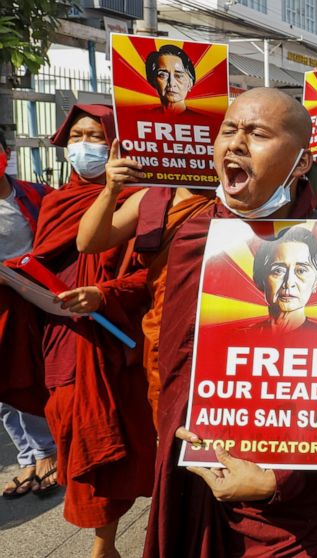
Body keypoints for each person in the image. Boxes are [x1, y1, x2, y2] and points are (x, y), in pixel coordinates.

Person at [145, 88, 317, 558]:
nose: (236, 143)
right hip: (203, 470)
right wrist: (175, 431)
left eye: (258, 133)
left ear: (302, 163)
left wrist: (277, 478)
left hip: (301, 500)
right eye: (229, 130)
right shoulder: (197, 236)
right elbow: (177, 362)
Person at [31, 104, 156, 558]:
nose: (84, 146)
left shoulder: (141, 199)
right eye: (76, 137)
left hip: (115, 336)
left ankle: (103, 544)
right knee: (71, 424)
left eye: (96, 137)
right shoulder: (55, 202)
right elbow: (47, 261)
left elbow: (153, 275)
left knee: (111, 437)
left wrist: (105, 294)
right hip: (62, 335)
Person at [76, 144, 214, 431]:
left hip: (222, 324)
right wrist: (111, 189)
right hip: (169, 328)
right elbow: (88, 242)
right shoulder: (153, 199)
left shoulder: (241, 198)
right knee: (171, 425)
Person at [0, 133, 57, 500]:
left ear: (6, 154)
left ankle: (45, 453)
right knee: (4, 389)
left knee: (29, 378)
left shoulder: (37, 195)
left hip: (33, 299)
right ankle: (27, 457)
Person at [247, 226, 317, 334]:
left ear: (316, 282)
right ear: (260, 280)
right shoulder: (239, 337)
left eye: (301, 271)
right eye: (278, 271)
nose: (289, 282)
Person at [145, 45, 195, 115]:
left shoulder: (200, 120)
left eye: (178, 76)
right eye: (162, 75)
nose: (171, 83)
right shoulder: (142, 116)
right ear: (153, 81)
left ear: (190, 84)